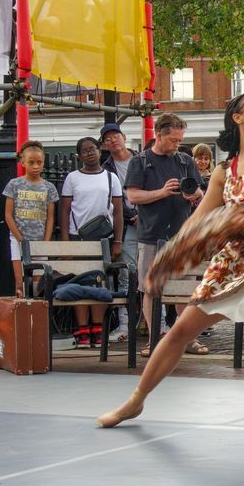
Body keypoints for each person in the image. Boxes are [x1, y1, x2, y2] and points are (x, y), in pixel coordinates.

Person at [96, 93, 244, 435]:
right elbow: (198, 219)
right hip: (234, 259)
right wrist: (169, 256)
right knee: (179, 331)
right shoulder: (224, 171)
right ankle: (136, 400)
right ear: (237, 117)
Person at [126, 112, 205, 355]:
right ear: (158, 135)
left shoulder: (185, 161)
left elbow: (200, 191)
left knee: (185, 289)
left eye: (180, 140)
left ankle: (187, 339)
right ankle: (154, 339)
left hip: (181, 235)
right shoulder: (140, 161)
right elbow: (133, 196)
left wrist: (195, 195)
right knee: (151, 289)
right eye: (173, 140)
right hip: (151, 235)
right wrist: (161, 192)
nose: (177, 145)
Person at [59, 137, 124, 348]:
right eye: (84, 151)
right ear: (79, 156)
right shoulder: (72, 178)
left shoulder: (111, 177)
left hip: (103, 238)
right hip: (78, 236)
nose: (89, 153)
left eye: (92, 149)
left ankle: (97, 328)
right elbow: (65, 210)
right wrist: (66, 243)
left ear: (99, 151)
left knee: (98, 283)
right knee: (78, 283)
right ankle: (82, 330)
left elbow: (119, 211)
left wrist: (118, 241)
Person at [3, 141, 58, 298]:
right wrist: (20, 239)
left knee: (39, 283)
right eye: (31, 162)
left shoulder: (49, 188)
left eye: (39, 162)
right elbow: (8, 215)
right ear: (23, 162)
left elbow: (50, 217)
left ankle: (38, 316)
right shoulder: (14, 184)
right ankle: (23, 316)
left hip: (40, 240)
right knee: (20, 283)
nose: (35, 166)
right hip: (18, 239)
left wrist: (45, 242)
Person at [101, 123, 138, 342]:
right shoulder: (106, 168)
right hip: (126, 225)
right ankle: (125, 325)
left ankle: (160, 323)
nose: (113, 141)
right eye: (107, 139)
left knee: (153, 273)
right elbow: (112, 200)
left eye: (115, 136)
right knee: (126, 273)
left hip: (149, 222)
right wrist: (131, 216)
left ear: (125, 137)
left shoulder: (143, 159)